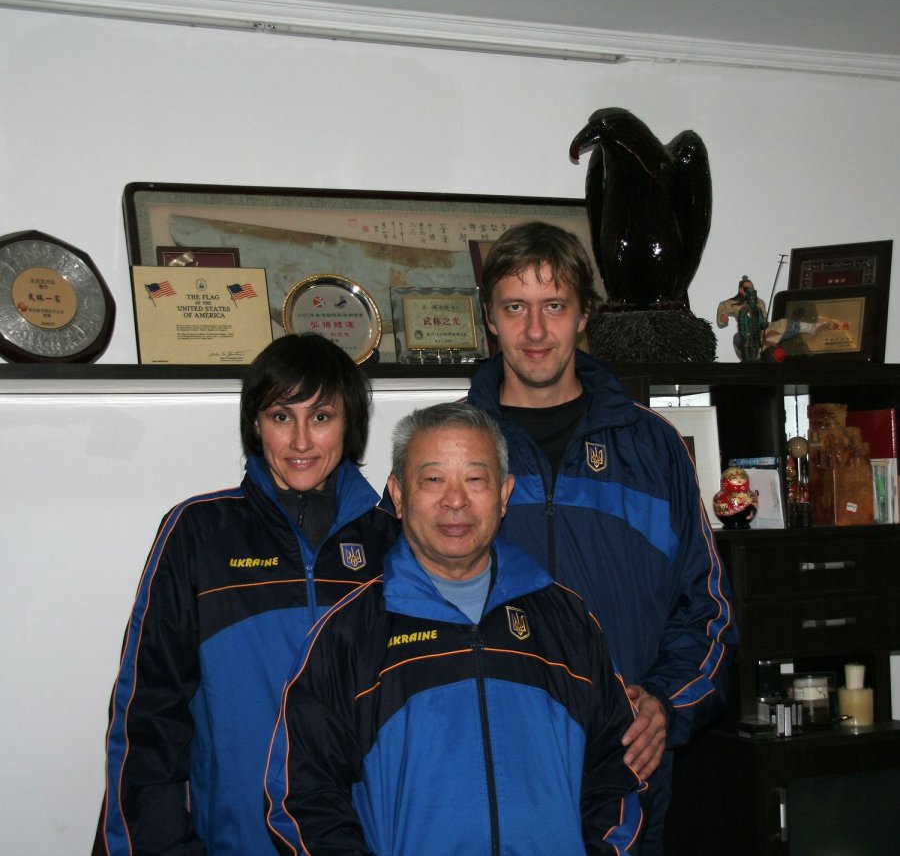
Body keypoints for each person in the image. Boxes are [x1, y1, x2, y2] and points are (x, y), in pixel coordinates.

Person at [466, 221, 737, 854]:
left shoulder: (653, 447)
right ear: (490, 320)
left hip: (627, 770)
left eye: (554, 306)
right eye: (515, 308)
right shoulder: (452, 448)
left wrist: (666, 707)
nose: (535, 331)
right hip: (490, 767)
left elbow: (707, 612)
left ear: (584, 315)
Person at [265, 403, 644, 855]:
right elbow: (304, 800)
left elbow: (618, 774)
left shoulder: (566, 620)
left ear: (504, 494)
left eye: (475, 479)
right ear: (399, 496)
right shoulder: (348, 634)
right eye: (432, 479)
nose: (455, 500)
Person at [92, 334, 399, 856]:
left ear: (350, 427)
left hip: (363, 840)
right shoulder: (198, 532)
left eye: (322, 417)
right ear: (256, 426)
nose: (301, 441)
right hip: (232, 837)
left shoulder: (392, 542)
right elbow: (147, 713)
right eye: (282, 416)